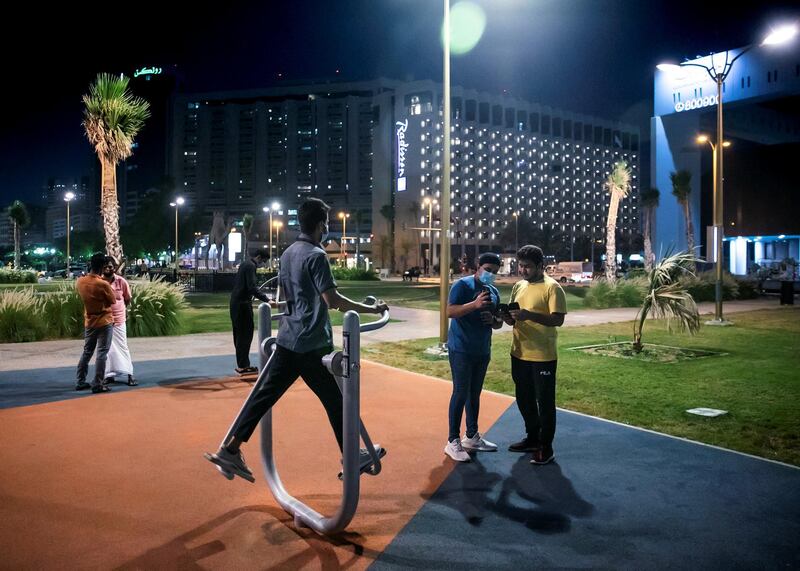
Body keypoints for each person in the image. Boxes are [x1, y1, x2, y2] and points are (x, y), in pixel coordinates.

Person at [206, 198, 389, 482]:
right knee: (336, 401)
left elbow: (290, 293)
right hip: (311, 344)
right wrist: (371, 309)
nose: (327, 228)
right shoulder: (316, 255)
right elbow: (333, 300)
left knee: (264, 395)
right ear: (320, 225)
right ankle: (352, 456)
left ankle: (230, 448)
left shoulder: (290, 252)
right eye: (326, 223)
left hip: (288, 339)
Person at [500, 245, 567, 465]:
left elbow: (558, 319)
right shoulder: (519, 285)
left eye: (527, 266)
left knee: (545, 402)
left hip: (543, 355)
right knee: (524, 399)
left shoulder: (552, 288)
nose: (522, 270)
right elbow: (515, 317)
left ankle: (546, 447)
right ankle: (532, 438)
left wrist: (530, 315)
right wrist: (509, 318)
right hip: (519, 352)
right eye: (520, 265)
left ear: (540, 266)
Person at [444, 252, 503, 462]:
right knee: (460, 392)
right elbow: (449, 311)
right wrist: (474, 305)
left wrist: (493, 320)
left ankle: (471, 436)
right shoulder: (462, 286)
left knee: (474, 394)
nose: (491, 274)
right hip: (461, 348)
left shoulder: (494, 292)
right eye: (488, 269)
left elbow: (498, 322)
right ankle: (452, 441)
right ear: (478, 266)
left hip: (482, 349)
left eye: (495, 272)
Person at [75, 252, 116, 394]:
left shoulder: (80, 281)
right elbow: (112, 300)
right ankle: (98, 383)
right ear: (102, 267)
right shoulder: (103, 284)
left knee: (87, 352)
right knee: (102, 353)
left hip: (89, 321)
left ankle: (80, 381)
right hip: (104, 321)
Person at [229, 248, 271, 374]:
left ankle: (242, 364)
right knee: (245, 334)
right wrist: (267, 300)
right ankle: (244, 365)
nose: (263, 264)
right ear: (259, 257)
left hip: (235, 303)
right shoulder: (251, 266)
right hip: (243, 304)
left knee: (239, 334)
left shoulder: (245, 264)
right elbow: (252, 287)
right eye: (264, 261)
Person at [101, 256, 137, 387]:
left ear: (114, 268)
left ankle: (129, 374)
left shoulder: (121, 282)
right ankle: (109, 375)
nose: (108, 268)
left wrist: (123, 309)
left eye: (110, 266)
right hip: (104, 321)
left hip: (119, 320)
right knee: (108, 350)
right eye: (105, 266)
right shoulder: (100, 282)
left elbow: (127, 298)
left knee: (123, 347)